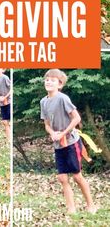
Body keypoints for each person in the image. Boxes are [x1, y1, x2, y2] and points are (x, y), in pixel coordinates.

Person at [40, 69, 96, 214]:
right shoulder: (43, 102)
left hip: (71, 142)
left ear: (60, 84)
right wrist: (53, 133)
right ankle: (72, 209)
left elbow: (76, 118)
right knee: (62, 178)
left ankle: (91, 205)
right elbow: (46, 124)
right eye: (47, 79)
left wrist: (63, 133)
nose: (49, 82)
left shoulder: (63, 98)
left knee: (77, 176)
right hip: (58, 145)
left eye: (53, 80)